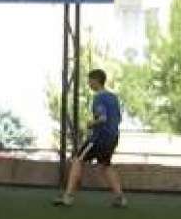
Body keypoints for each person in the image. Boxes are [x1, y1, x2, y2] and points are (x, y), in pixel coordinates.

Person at [53, 69, 128, 208]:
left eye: (89, 81)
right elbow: (118, 118)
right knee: (105, 165)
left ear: (96, 81)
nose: (88, 83)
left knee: (78, 160)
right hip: (113, 137)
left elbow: (103, 118)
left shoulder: (99, 97)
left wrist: (91, 124)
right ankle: (120, 198)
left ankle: (68, 196)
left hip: (99, 137)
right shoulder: (113, 97)